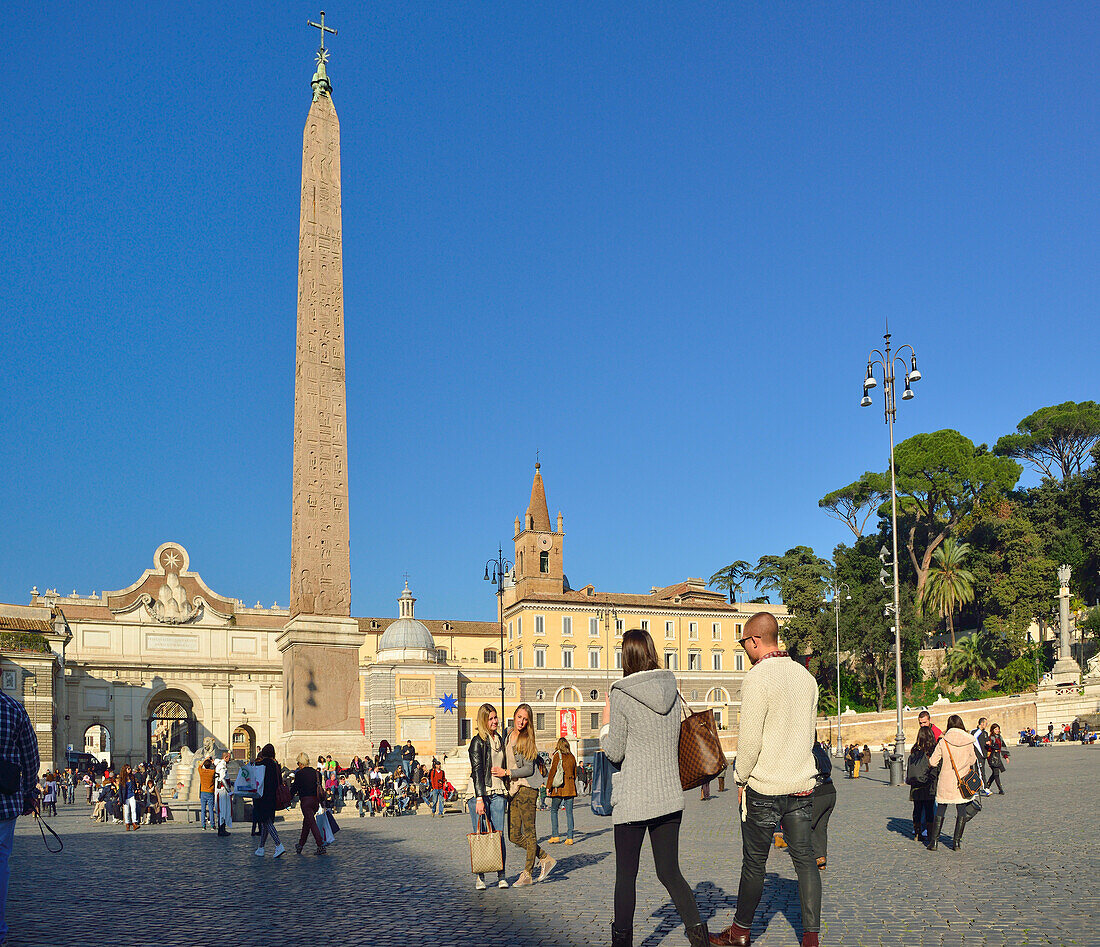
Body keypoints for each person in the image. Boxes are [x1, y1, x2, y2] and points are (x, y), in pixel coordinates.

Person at [710, 613, 820, 947]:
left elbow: (750, 742)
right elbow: (810, 736)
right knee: (805, 862)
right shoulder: (806, 677)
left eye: (744, 642)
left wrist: (740, 776)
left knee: (754, 863)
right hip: (801, 784)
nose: (744, 648)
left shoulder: (757, 678)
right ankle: (812, 939)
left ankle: (741, 932)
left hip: (765, 788)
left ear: (755, 641)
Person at [601, 629, 709, 947]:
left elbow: (615, 751)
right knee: (670, 872)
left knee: (626, 877)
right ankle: (699, 937)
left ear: (626, 656)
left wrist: (605, 726)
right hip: (668, 797)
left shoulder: (620, 694)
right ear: (650, 652)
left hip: (633, 800)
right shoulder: (672, 690)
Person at [497, 703, 554, 887]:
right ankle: (544, 858)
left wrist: (507, 772)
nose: (521, 721)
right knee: (513, 835)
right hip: (513, 790)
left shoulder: (527, 739)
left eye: (525, 719)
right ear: (514, 716)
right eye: (519, 717)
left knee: (530, 833)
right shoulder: (507, 735)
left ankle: (527, 873)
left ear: (528, 722)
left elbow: (528, 769)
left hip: (528, 789)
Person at [0, 690, 39, 945]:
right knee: (1, 865)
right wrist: (28, 793)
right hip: (4, 800)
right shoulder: (14, 708)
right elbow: (30, 757)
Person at [468, 702, 509, 890]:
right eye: (490, 718)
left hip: (499, 791)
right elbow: (477, 770)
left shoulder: (499, 739)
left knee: (498, 834)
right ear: (483, 721)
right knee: (481, 835)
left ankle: (502, 875)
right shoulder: (478, 741)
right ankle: (480, 876)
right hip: (480, 792)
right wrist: (479, 798)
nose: (495, 721)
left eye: (495, 717)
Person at [927, 714, 979, 852]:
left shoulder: (943, 741)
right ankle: (956, 843)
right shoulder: (968, 741)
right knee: (961, 810)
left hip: (946, 781)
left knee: (941, 808)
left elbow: (932, 762)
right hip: (963, 781)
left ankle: (934, 842)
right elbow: (973, 760)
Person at [906, 725, 939, 845]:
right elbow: (935, 767)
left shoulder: (914, 750)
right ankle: (930, 835)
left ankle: (917, 833)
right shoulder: (932, 750)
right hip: (928, 784)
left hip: (915, 785)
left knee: (917, 809)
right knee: (929, 810)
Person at [253, 744, 285, 858]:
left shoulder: (261, 765)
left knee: (267, 821)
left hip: (263, 797)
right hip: (273, 797)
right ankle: (261, 847)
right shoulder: (276, 765)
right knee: (266, 822)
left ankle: (278, 844)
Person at [291, 752, 326, 855]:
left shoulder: (299, 774)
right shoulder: (317, 773)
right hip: (315, 802)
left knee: (311, 823)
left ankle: (320, 845)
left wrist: (287, 798)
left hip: (305, 802)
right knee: (307, 823)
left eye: (298, 763)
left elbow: (294, 789)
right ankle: (300, 845)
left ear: (301, 763)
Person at [545, 737, 577, 844]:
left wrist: (548, 786)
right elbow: (575, 773)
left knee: (554, 810)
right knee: (569, 813)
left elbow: (552, 772)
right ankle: (570, 837)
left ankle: (555, 835)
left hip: (559, 788)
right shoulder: (572, 757)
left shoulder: (557, 756)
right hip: (570, 788)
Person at [810, 741, 835, 870]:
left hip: (818, 792)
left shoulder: (808, 751)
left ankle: (814, 857)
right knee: (821, 827)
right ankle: (821, 858)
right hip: (830, 791)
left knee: (806, 826)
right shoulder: (821, 750)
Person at [985, 723, 1009, 794]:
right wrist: (990, 745)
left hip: (997, 756)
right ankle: (1000, 789)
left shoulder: (1000, 737)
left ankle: (988, 784)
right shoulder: (990, 737)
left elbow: (1003, 747)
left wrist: (1006, 757)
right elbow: (988, 747)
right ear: (992, 730)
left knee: (994, 773)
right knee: (996, 773)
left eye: (998, 729)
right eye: (995, 729)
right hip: (992, 756)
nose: (997, 730)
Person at [215, 751, 233, 836]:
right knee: (223, 810)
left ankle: (222, 829)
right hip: (222, 791)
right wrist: (229, 791)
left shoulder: (222, 765)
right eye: (229, 757)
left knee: (224, 810)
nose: (230, 759)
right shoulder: (222, 766)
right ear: (225, 758)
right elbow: (222, 779)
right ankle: (221, 829)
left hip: (223, 790)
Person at [118, 765, 139, 831]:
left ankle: (134, 823)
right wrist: (121, 800)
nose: (130, 770)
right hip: (125, 797)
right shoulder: (122, 779)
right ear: (125, 770)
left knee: (133, 809)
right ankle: (127, 824)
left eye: (130, 768)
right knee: (127, 811)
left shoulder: (132, 777)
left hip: (132, 795)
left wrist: (136, 789)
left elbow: (134, 785)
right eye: (128, 769)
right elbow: (120, 790)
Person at [198, 756, 217, 830]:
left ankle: (203, 825)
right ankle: (212, 825)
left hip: (203, 792)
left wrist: (205, 759)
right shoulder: (212, 772)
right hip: (210, 792)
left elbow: (200, 766)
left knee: (203, 810)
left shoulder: (201, 771)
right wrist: (213, 762)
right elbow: (216, 768)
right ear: (210, 765)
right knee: (211, 809)